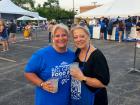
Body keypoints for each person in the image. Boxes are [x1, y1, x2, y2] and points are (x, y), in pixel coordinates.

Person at [24, 24, 75, 105]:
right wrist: (42, 84)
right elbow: (28, 72)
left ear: (68, 37)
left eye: (64, 35)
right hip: (46, 101)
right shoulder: (42, 54)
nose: (61, 38)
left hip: (66, 100)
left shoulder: (72, 55)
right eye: (57, 36)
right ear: (53, 38)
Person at [70, 25, 110, 105]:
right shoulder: (78, 51)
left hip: (95, 99)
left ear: (88, 36)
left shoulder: (97, 56)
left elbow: (103, 83)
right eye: (75, 37)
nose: (79, 39)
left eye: (82, 36)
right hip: (79, 97)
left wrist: (82, 78)